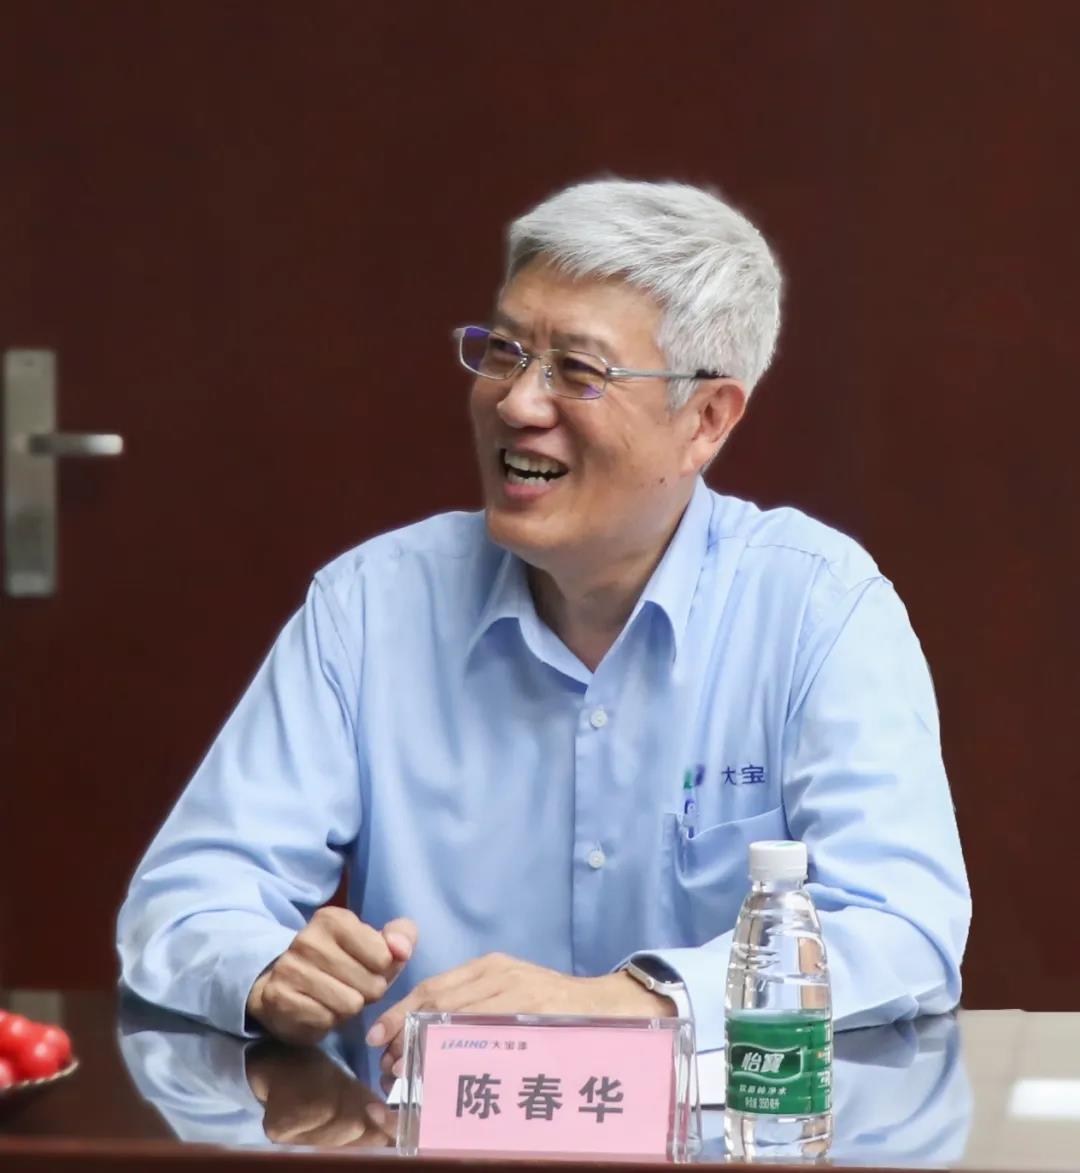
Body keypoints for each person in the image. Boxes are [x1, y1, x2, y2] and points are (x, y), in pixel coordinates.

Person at [117, 179, 970, 1074]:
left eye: (579, 370)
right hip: (429, 1132)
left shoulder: (815, 607)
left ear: (706, 419)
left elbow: (901, 928)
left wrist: (632, 1001)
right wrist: (267, 968)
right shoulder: (370, 607)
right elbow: (185, 902)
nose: (519, 403)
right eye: (505, 352)